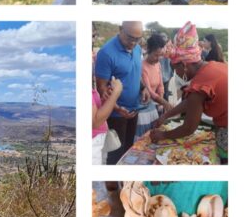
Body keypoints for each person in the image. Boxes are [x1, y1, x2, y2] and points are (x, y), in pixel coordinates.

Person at [151, 22, 228, 163]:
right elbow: (189, 103)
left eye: (176, 69)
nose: (176, 73)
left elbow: (189, 128)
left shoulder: (199, 84)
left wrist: (162, 135)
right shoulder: (214, 66)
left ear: (184, 65)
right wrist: (167, 115)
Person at [95, 22, 150, 164]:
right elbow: (102, 89)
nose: (133, 42)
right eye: (130, 38)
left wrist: (143, 88)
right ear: (120, 30)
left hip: (134, 108)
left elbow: (134, 73)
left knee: (129, 148)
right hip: (116, 114)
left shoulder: (137, 49)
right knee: (115, 154)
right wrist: (118, 109)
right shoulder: (106, 53)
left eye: (137, 39)